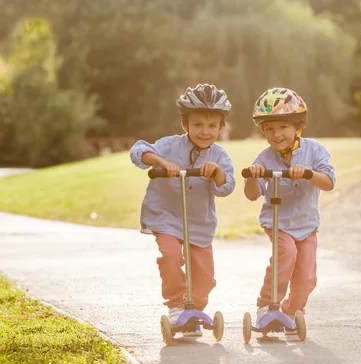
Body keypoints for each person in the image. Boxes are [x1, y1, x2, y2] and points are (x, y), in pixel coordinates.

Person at [130, 84, 235, 334]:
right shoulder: (169, 146)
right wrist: (161, 162)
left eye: (212, 126)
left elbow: (227, 187)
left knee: (205, 278)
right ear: (185, 124)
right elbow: (138, 151)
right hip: (166, 217)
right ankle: (177, 305)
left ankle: (193, 312)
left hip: (199, 223)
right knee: (170, 255)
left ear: (221, 127)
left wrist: (217, 173)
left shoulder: (220, 156)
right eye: (197, 124)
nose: (205, 131)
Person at [243, 87, 336, 323]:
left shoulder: (315, 151)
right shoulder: (264, 158)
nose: (276, 134)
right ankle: (267, 305)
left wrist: (308, 173)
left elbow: (328, 183)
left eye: (283, 127)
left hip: (306, 223)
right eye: (269, 129)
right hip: (278, 221)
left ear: (298, 126)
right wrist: (253, 176)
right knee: (286, 253)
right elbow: (252, 194)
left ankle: (291, 311)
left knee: (307, 278)